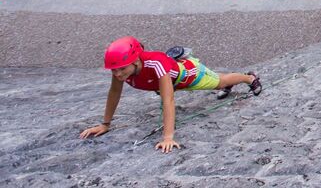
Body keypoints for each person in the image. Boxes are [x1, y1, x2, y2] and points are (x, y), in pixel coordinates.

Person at [79, 36, 262, 153]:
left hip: (188, 75)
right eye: (114, 70)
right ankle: (232, 84)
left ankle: (248, 78)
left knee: (220, 81)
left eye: (121, 69)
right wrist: (105, 124)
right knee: (219, 82)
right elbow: (114, 92)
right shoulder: (123, 71)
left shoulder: (155, 63)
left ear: (135, 60)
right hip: (172, 82)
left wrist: (168, 137)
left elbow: (168, 99)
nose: (118, 74)